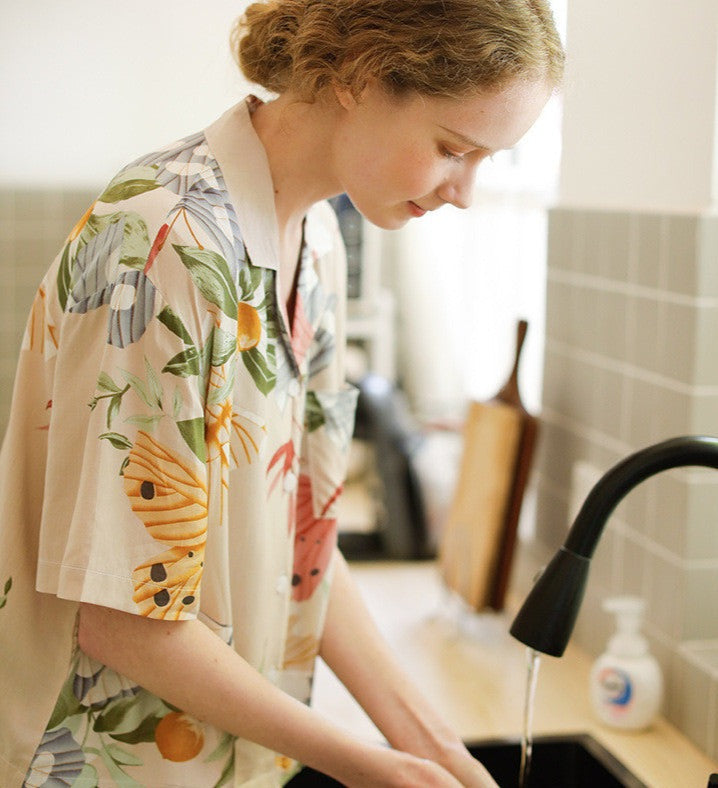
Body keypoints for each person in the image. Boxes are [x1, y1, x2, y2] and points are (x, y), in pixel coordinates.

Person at [0, 1, 564, 785]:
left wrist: (436, 751)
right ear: (360, 78)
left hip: (232, 758)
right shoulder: (165, 241)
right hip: (98, 759)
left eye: (485, 162)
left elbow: (309, 544)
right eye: (452, 148)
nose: (464, 192)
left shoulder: (318, 238)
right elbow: (122, 619)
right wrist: (363, 764)